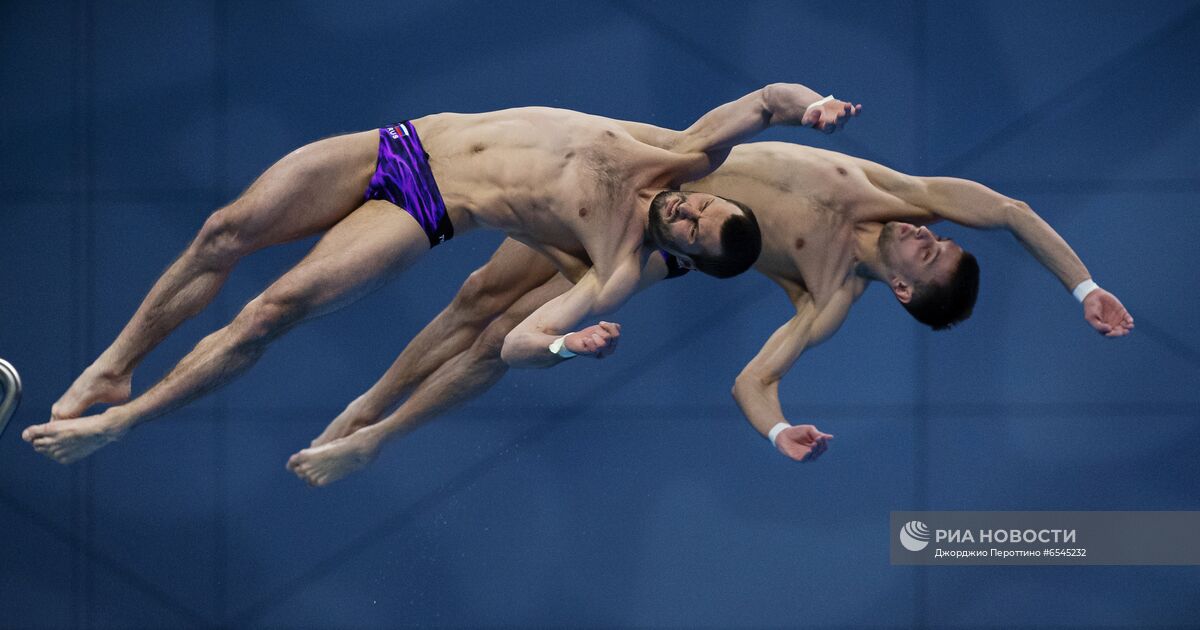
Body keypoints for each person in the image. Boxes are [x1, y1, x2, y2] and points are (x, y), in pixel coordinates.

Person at [24, 83, 862, 465]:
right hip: (406, 143)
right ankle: (117, 363)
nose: (689, 211)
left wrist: (571, 350)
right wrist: (815, 105)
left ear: (685, 258)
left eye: (698, 230)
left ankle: (124, 421)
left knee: (272, 311)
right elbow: (766, 100)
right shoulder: (676, 155)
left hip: (427, 208)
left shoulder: (612, 267)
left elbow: (521, 344)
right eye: (702, 208)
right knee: (224, 230)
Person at [283, 138, 1132, 487]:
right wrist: (1086, 288)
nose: (926, 232)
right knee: (475, 297)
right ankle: (363, 404)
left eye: (930, 253)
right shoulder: (895, 193)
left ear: (906, 290)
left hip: (658, 249)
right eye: (939, 237)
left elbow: (752, 381)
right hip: (649, 191)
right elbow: (1015, 213)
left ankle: (374, 441)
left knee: (510, 339)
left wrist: (778, 431)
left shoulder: (828, 294)